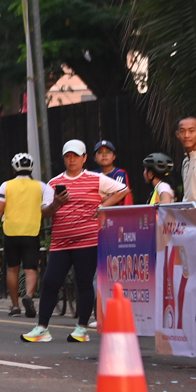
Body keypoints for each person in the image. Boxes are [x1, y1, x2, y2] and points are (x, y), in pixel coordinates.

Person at [23, 139, 128, 343]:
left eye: (76, 156)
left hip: (87, 241)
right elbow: (44, 211)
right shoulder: (53, 183)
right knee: (50, 282)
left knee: (84, 283)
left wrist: (103, 205)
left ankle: (81, 328)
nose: (72, 160)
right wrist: (56, 203)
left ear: (84, 158)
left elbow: (123, 189)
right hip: (60, 242)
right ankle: (42, 327)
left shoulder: (96, 179)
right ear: (64, 158)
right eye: (68, 156)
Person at [0, 153, 49, 318]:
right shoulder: (41, 186)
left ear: (14, 168)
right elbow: (47, 208)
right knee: (31, 269)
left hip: (11, 232)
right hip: (31, 232)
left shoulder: (6, 186)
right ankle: (28, 296)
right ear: (31, 168)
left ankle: (15, 306)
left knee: (12, 269)